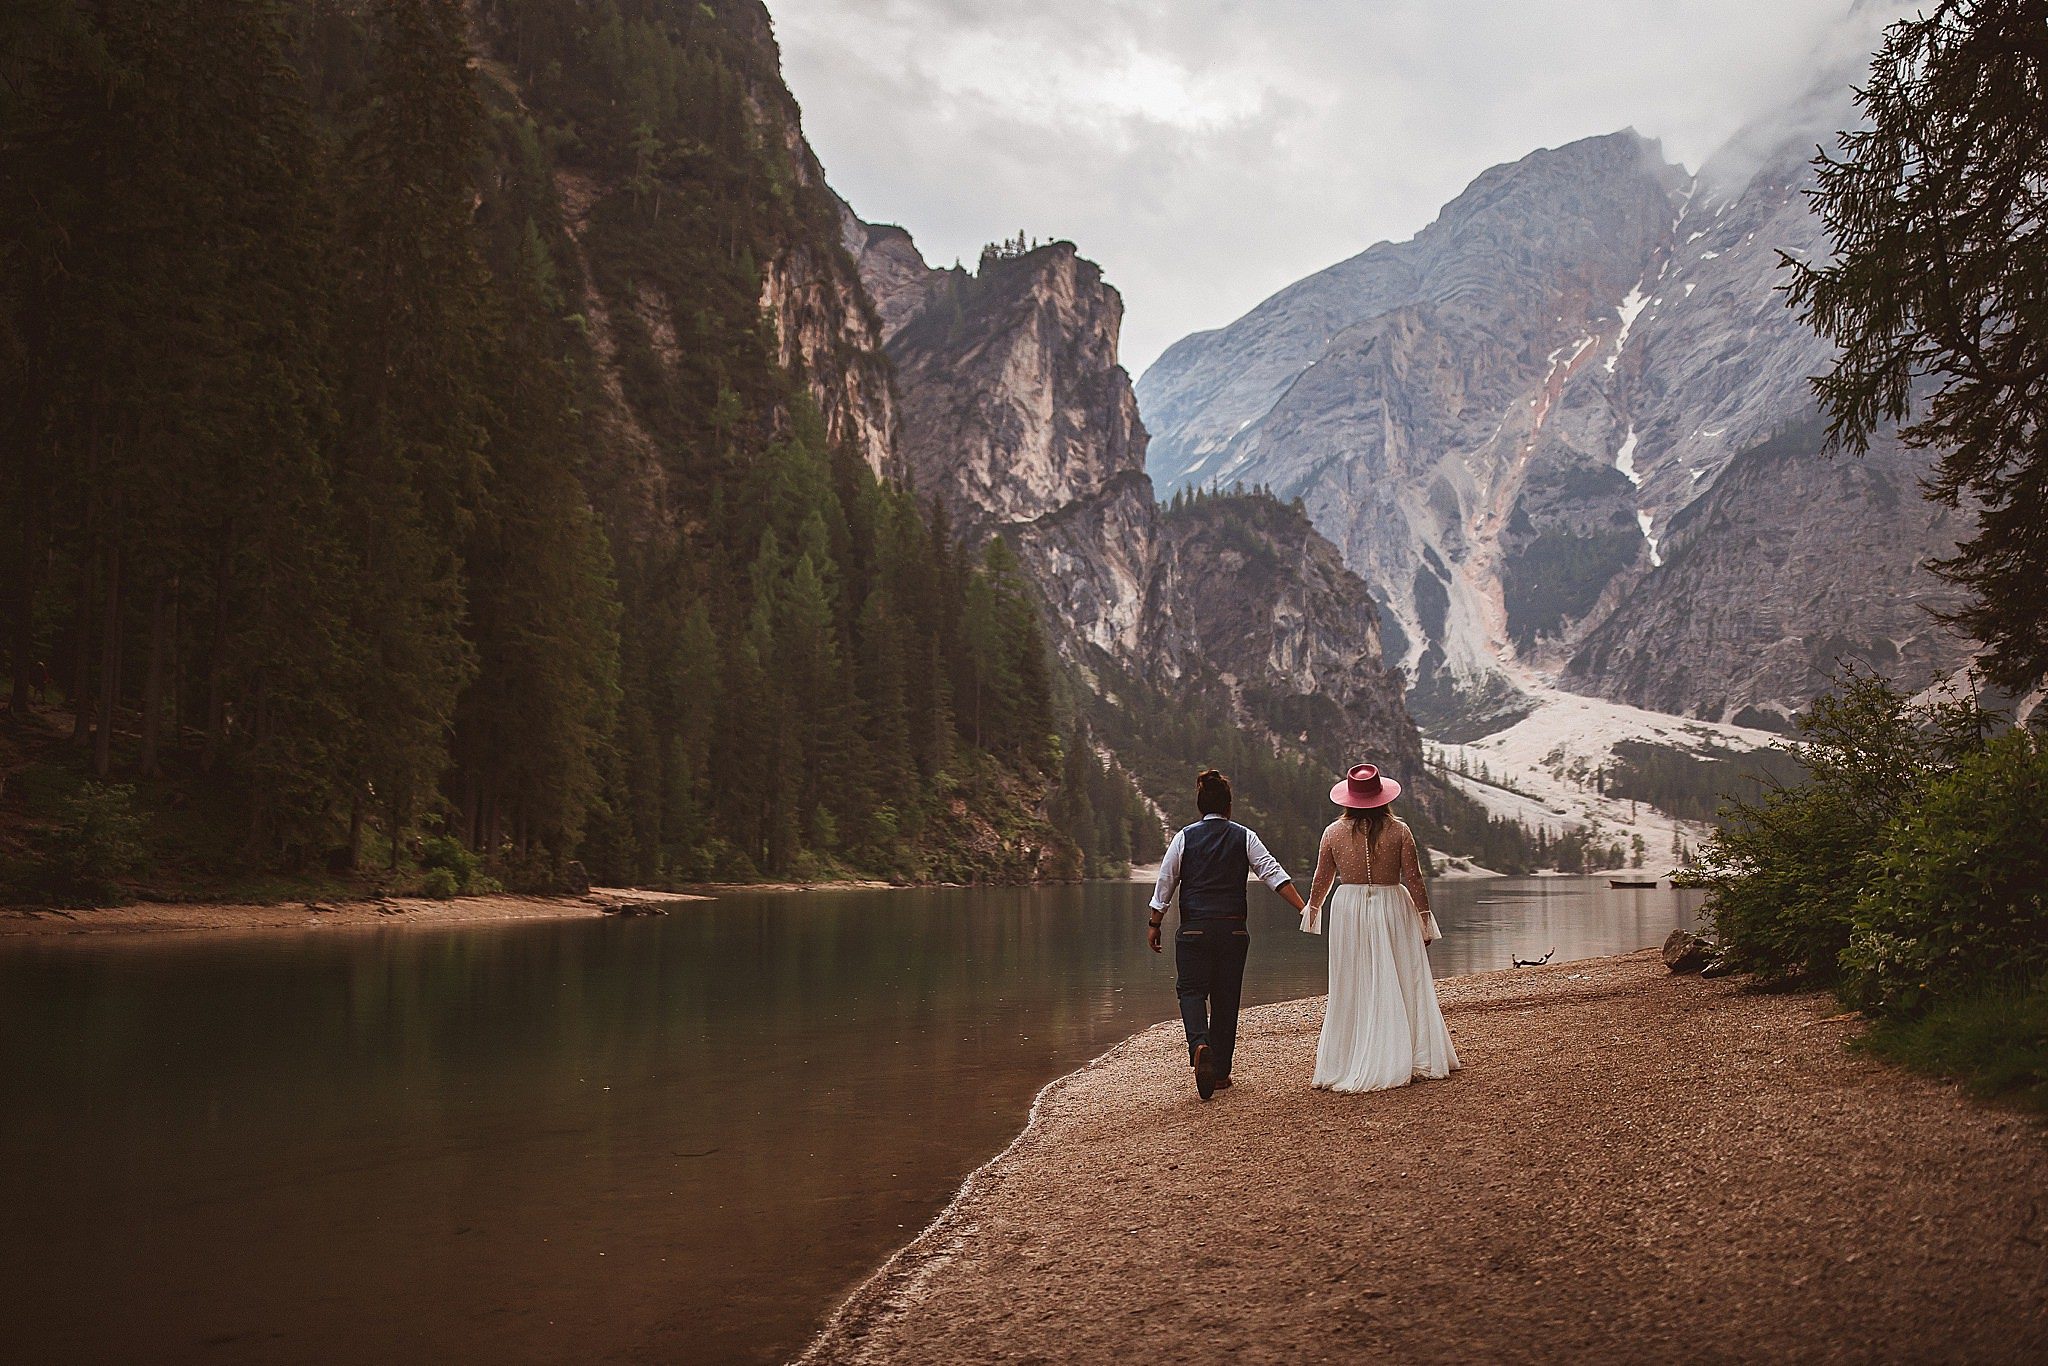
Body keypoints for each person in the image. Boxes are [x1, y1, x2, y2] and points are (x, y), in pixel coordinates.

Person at [1147, 769, 1307, 1100]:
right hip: (1233, 929)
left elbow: (1166, 881)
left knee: (1191, 991)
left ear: (1200, 806)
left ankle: (1199, 1044)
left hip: (1194, 928)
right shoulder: (1244, 836)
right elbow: (1272, 873)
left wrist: (1155, 922)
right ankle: (1219, 1074)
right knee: (1226, 998)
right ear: (1229, 807)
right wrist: (1304, 908)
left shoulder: (1184, 837)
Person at [1301, 763, 1459, 1093]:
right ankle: (1409, 1052)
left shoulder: (1332, 833)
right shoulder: (1400, 830)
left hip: (1349, 908)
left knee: (1353, 981)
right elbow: (1413, 878)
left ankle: (1349, 1059)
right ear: (1382, 797)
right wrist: (1425, 920)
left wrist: (1313, 911)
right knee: (1401, 976)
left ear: (1348, 799)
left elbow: (1322, 878)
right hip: (1392, 905)